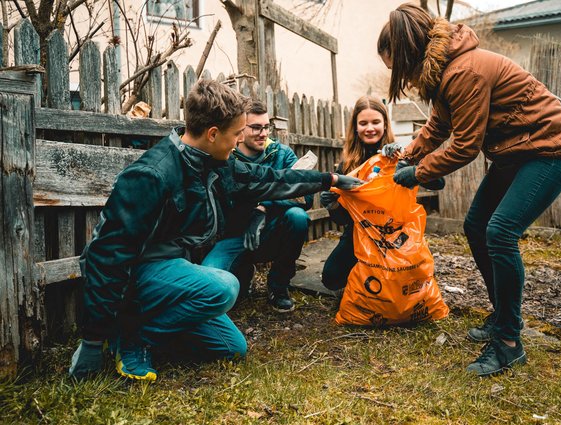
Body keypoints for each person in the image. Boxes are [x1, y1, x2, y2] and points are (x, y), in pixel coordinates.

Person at [68, 80, 362, 382]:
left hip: (172, 271)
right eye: (236, 134)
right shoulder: (151, 175)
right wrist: (92, 340)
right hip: (136, 278)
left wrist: (330, 179)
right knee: (224, 287)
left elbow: (272, 178)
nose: (238, 142)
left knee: (231, 347)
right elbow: (106, 256)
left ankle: (149, 335)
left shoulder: (214, 163)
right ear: (212, 134)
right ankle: (132, 337)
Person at [378, 3, 561, 376]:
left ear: (408, 51)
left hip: (549, 150)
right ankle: (504, 317)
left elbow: (465, 146)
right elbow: (438, 127)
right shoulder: (443, 72)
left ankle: (508, 342)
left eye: (396, 66)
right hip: (517, 151)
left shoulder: (465, 71)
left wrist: (418, 172)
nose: (399, 76)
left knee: (501, 232)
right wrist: (406, 154)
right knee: (476, 226)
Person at [320, 95, 443, 292]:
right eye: (363, 123)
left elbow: (439, 182)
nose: (370, 128)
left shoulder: (400, 154)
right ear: (356, 128)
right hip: (359, 234)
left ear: (385, 124)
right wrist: (332, 204)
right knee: (331, 278)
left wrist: (408, 164)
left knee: (403, 279)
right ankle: (362, 287)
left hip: (396, 234)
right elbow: (343, 220)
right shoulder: (348, 165)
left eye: (376, 122)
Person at [204, 100, 313, 312]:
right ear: (240, 130)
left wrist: (264, 207)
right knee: (213, 286)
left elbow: (305, 198)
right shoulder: (226, 156)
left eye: (266, 127)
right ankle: (244, 271)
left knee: (298, 217)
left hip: (273, 234)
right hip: (236, 237)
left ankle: (278, 285)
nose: (263, 133)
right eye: (256, 127)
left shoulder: (282, 155)